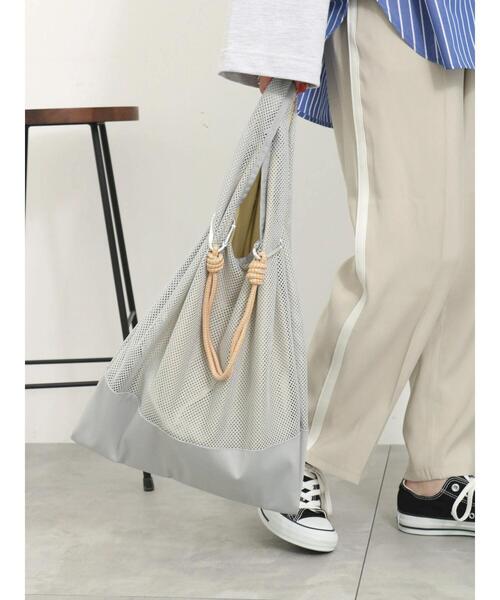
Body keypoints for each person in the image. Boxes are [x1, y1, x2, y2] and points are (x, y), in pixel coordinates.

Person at [218, 0, 475, 552]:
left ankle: (440, 472)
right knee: (406, 252)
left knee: (472, 255)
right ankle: (292, 456)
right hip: (396, 12)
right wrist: (274, 42)